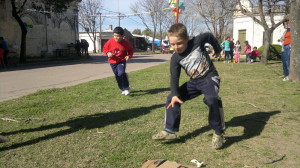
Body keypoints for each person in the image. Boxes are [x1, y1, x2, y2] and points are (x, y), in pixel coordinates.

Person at [152, 23, 226, 149]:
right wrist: (175, 94)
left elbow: (209, 36)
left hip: (210, 78)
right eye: (172, 44)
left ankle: (219, 133)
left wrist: (217, 50)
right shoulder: (175, 58)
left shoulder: (197, 41)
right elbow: (174, 78)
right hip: (195, 81)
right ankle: (170, 130)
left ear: (187, 38)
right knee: (172, 98)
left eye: (179, 43)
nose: (176, 47)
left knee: (211, 99)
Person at [103, 27, 134, 95]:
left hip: (121, 61)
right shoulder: (110, 42)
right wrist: (108, 53)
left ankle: (126, 88)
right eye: (114, 36)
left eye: (118, 36)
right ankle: (122, 88)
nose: (116, 37)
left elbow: (130, 50)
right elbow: (105, 49)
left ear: (122, 36)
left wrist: (129, 56)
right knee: (117, 76)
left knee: (121, 73)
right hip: (112, 61)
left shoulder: (125, 43)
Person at [281, 17, 291, 81]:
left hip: (289, 46)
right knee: (284, 61)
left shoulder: (293, 30)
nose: (285, 25)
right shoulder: (286, 31)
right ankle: (285, 74)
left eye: (286, 24)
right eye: (284, 24)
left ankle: (289, 75)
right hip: (284, 47)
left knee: (288, 61)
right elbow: (283, 38)